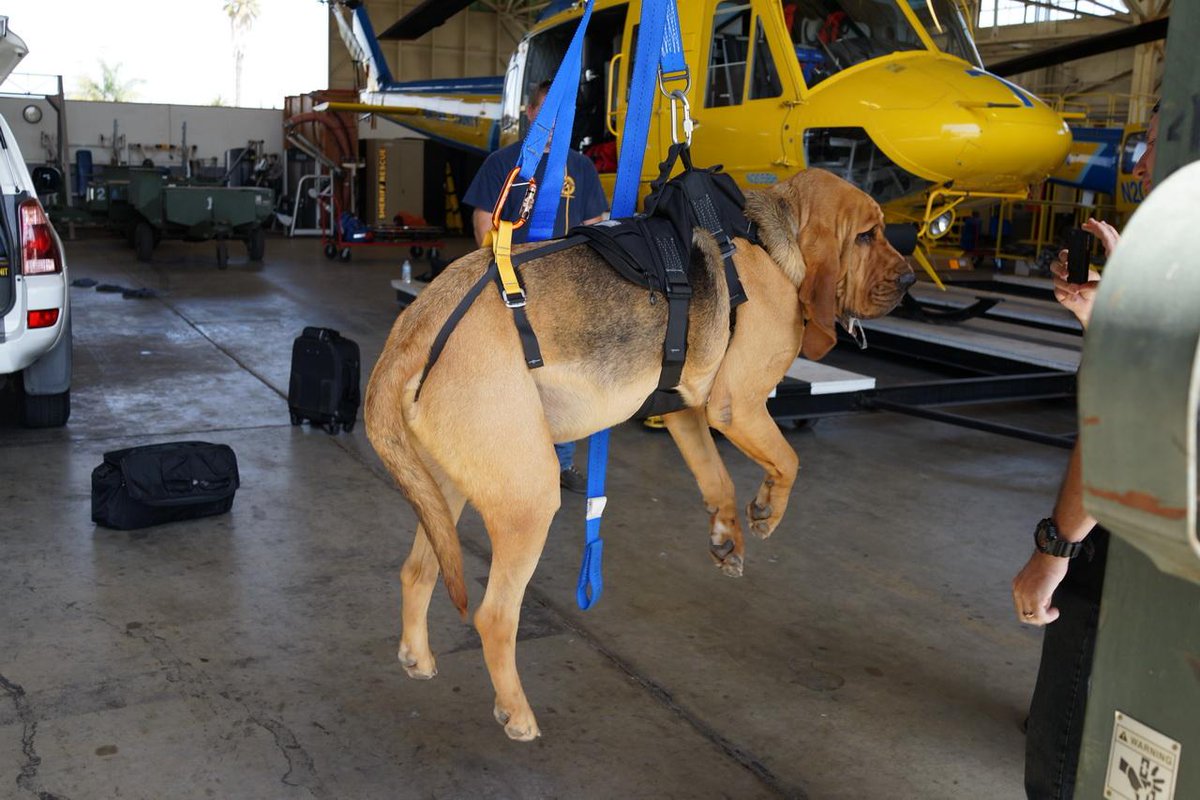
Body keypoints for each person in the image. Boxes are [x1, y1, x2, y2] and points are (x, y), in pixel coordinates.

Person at [1012, 100, 1158, 800]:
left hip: (1134, 553)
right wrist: (1108, 315)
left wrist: (1054, 551)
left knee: (1066, 760)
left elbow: (1122, 421)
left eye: (1161, 141)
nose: (1146, 161)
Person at [462, 80, 609, 494]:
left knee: (565, 382)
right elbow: (482, 223)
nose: (554, 121)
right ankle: (504, 461)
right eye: (546, 112)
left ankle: (560, 465)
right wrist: (504, 277)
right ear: (529, 113)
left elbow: (596, 226)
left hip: (567, 296)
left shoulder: (580, 168)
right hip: (516, 293)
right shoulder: (503, 163)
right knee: (511, 381)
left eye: (562, 113)